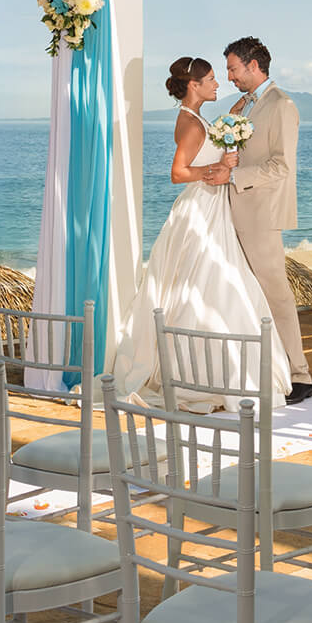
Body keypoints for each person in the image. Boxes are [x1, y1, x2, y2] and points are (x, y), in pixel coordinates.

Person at [111, 56, 291, 410]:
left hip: (211, 206)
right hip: (202, 208)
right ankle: (209, 375)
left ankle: (207, 370)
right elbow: (178, 173)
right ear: (194, 85)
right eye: (210, 79)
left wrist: (235, 116)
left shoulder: (194, 117)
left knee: (210, 284)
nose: (217, 83)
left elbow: (208, 141)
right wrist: (218, 167)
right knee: (213, 283)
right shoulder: (192, 125)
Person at [224, 37, 312, 404]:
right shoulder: (246, 105)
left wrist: (233, 176)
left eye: (233, 69)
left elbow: (281, 165)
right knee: (245, 294)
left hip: (261, 213)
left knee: (276, 295)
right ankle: (264, 369)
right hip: (234, 210)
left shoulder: (281, 105)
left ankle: (300, 376)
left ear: (253, 66)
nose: (229, 77)